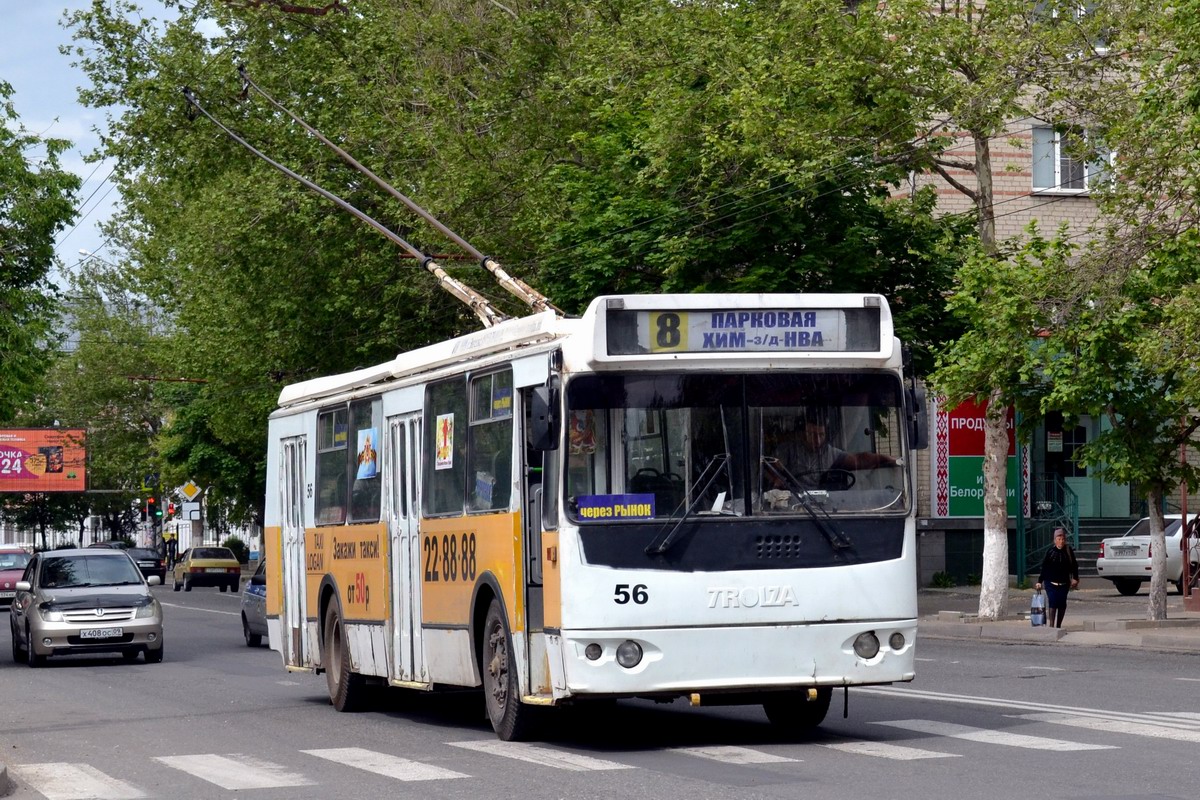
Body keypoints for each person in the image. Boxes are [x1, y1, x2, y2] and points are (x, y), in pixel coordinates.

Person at [771, 409, 896, 490]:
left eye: (821, 435)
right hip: (791, 504)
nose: (817, 441)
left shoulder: (830, 453)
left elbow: (858, 459)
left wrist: (885, 459)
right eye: (812, 434)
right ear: (803, 433)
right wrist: (775, 478)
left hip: (820, 506)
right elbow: (769, 467)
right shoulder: (788, 450)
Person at [1035, 527, 1079, 628]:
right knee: (1053, 602)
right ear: (1054, 540)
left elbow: (1074, 565)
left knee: (1062, 604)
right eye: (1059, 539)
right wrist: (1039, 581)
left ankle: (1058, 626)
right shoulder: (1050, 552)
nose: (1061, 541)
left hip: (1064, 583)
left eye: (1063, 539)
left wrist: (1075, 578)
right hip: (1050, 583)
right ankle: (1051, 626)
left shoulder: (1068, 551)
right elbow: (1044, 567)